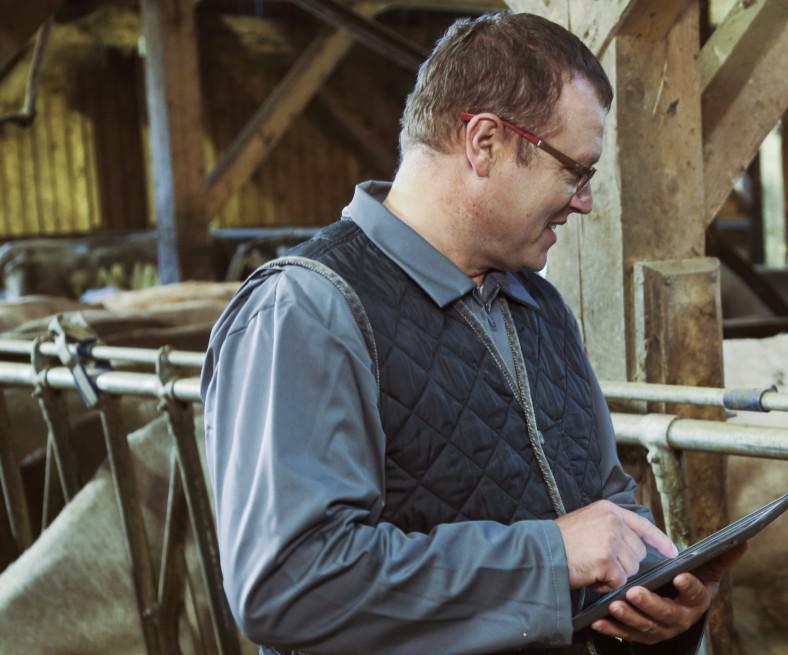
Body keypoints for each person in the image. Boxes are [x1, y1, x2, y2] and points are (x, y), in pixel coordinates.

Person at [200, 12, 737, 654]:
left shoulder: (538, 306)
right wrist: (550, 556)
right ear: (484, 142)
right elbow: (290, 584)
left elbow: (605, 508)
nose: (585, 201)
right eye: (575, 171)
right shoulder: (308, 309)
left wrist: (660, 596)